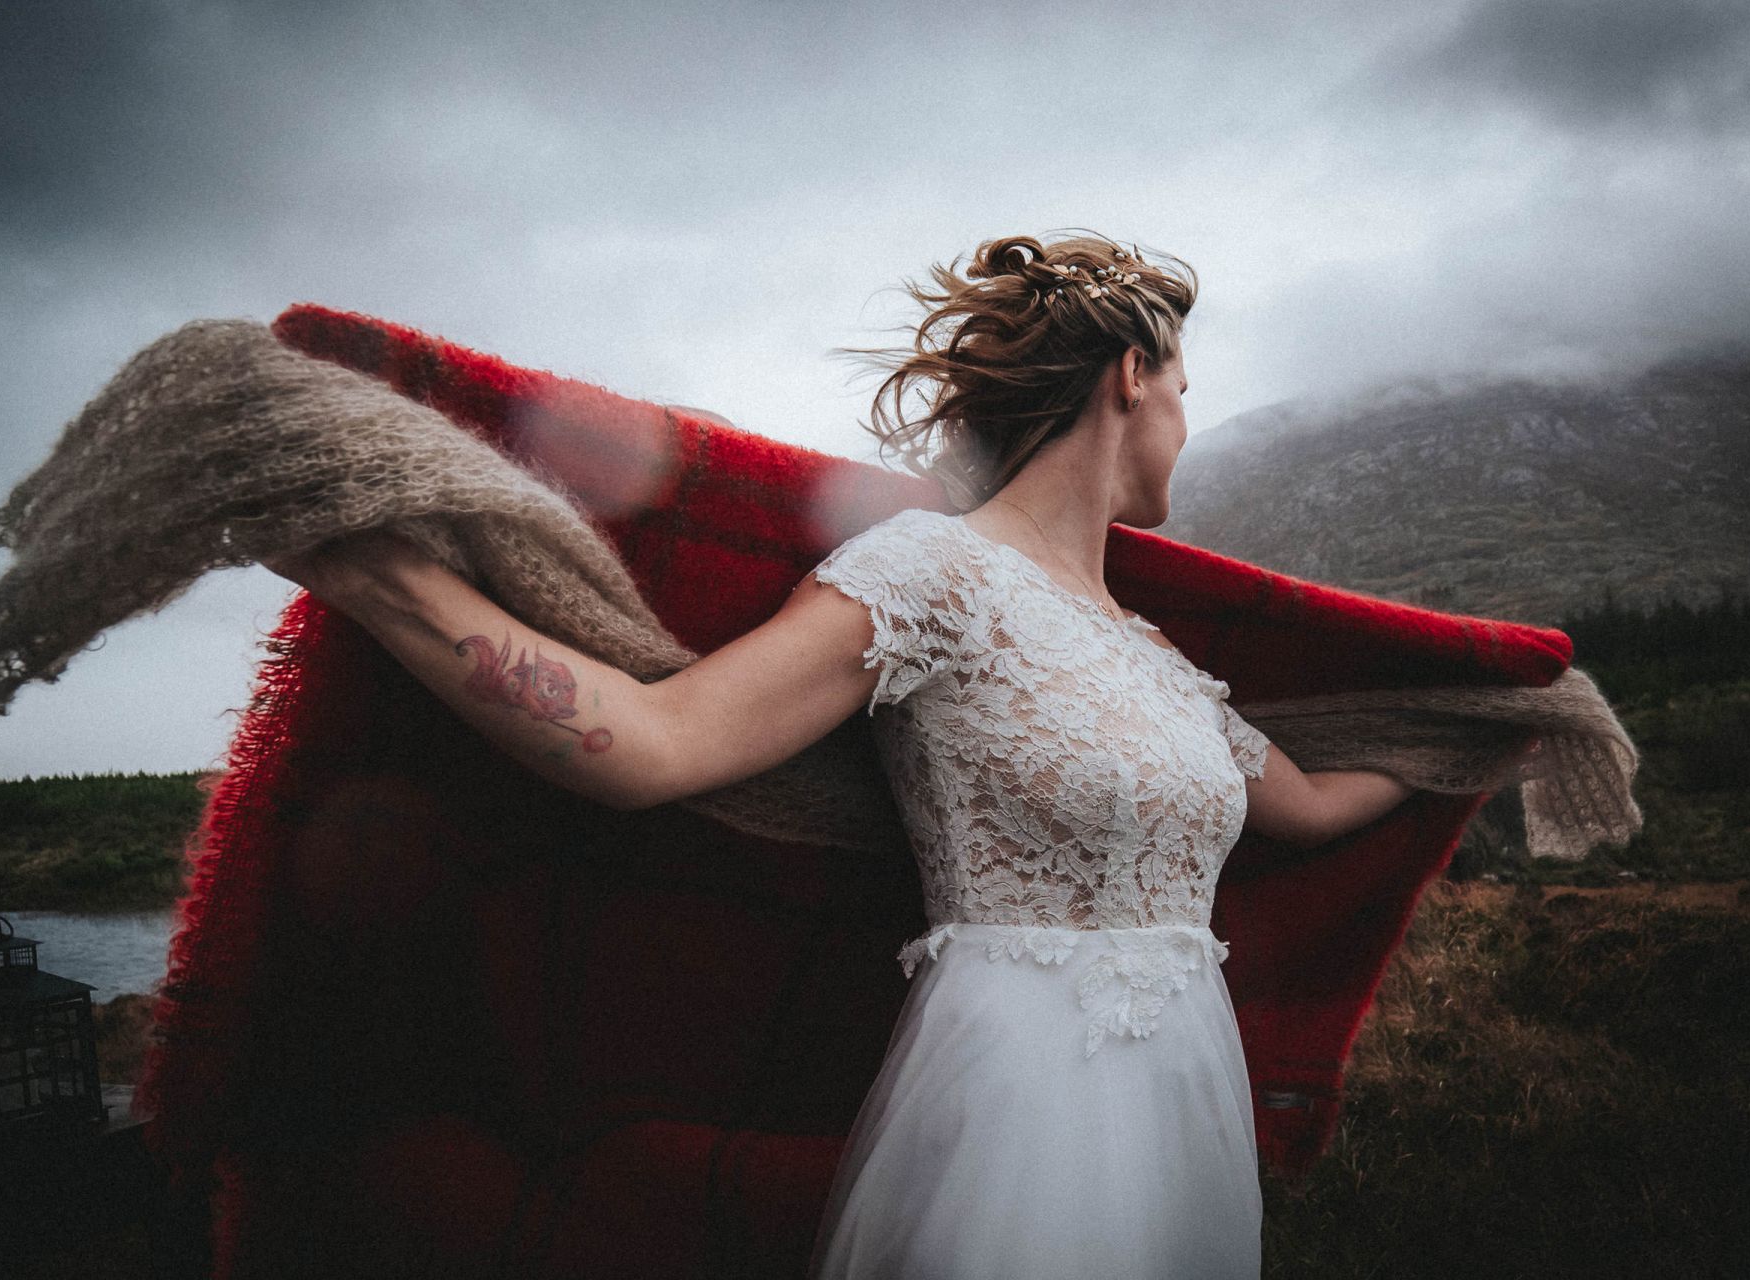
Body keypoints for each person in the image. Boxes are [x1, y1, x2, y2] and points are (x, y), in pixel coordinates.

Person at [265, 231, 1416, 1277]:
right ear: (1131, 374)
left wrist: (1489, 730)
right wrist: (370, 571)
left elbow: (1307, 806)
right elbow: (655, 743)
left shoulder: (1157, 652)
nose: (1185, 422)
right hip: (1018, 1104)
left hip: (1186, 1100)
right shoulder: (932, 573)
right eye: (1184, 390)